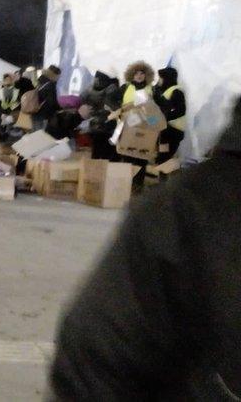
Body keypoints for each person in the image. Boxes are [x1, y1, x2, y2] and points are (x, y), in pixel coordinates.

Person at [49, 96, 241, 400]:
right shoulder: (193, 208)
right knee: (129, 163)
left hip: (142, 141)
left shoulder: (187, 205)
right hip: (132, 142)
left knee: (135, 163)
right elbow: (101, 355)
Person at [80, 70, 121, 160]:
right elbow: (113, 106)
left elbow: (82, 98)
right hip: (108, 124)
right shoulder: (112, 88)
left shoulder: (90, 88)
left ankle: (94, 169)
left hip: (94, 122)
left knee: (96, 150)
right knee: (109, 151)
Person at [155, 66, 186, 163]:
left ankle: (164, 176)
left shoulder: (176, 92)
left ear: (166, 78)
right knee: (162, 156)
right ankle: (163, 175)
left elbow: (180, 111)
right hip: (165, 132)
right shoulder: (164, 92)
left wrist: (164, 118)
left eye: (161, 78)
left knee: (164, 157)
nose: (159, 80)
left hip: (173, 132)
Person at [31, 65, 61, 132]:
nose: (58, 78)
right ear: (54, 75)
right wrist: (59, 108)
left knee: (34, 134)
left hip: (34, 111)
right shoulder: (50, 85)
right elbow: (52, 101)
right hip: (43, 114)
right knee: (40, 135)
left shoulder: (40, 81)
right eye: (58, 76)